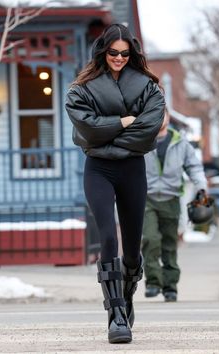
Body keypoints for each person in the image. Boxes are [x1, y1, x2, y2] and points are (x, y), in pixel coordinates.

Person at [65, 23, 165, 343]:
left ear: (131, 53)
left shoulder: (149, 87)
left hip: (132, 169)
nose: (119, 58)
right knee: (108, 238)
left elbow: (149, 128)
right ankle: (116, 313)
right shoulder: (83, 87)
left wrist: (105, 133)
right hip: (99, 170)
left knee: (132, 251)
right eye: (113, 52)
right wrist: (122, 122)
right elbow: (85, 129)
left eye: (125, 53)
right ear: (103, 51)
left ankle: (128, 291)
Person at [141, 108, 208, 302]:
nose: (160, 119)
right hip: (147, 198)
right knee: (150, 239)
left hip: (171, 199)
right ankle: (153, 282)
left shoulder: (181, 142)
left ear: (168, 118)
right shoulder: (142, 140)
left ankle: (170, 286)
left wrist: (201, 186)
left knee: (170, 244)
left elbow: (194, 166)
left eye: (163, 115)